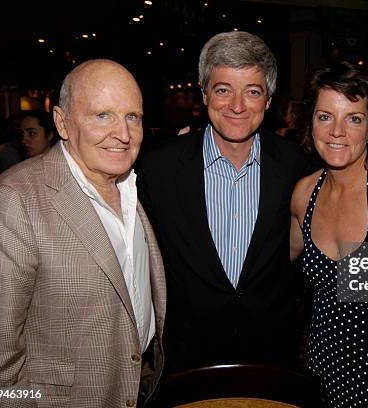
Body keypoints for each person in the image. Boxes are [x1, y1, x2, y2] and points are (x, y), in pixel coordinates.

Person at [0, 59, 166, 407]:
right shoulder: (12, 202)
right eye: (102, 115)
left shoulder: (134, 189)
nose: (123, 134)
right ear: (62, 122)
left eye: (132, 117)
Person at [137, 31, 308, 372]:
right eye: (223, 90)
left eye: (253, 92)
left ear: (269, 100)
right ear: (204, 95)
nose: (237, 106)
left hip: (273, 359)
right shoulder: (157, 169)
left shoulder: (297, 166)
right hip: (185, 361)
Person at [289, 61, 368, 407]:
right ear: (311, 123)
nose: (337, 131)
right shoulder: (304, 194)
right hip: (323, 374)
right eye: (325, 116)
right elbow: (267, 265)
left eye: (354, 118)